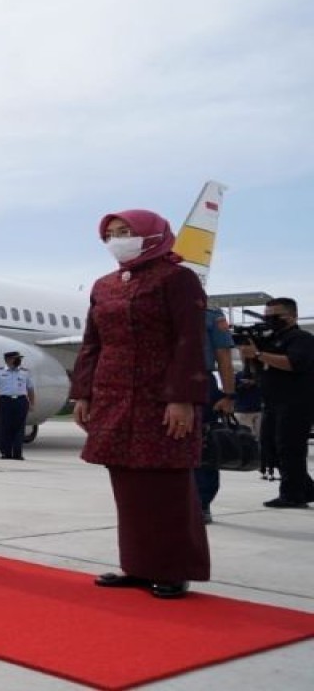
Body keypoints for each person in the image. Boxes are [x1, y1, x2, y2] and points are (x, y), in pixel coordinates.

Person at [72, 209, 209, 600]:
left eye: (126, 232)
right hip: (114, 394)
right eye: (110, 234)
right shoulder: (104, 285)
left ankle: (172, 568)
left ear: (152, 235)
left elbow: (188, 340)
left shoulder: (178, 279)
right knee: (128, 487)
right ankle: (137, 565)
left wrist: (181, 398)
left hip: (160, 396)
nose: (117, 239)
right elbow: (92, 343)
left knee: (164, 484)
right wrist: (84, 393)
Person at [237, 297, 314, 509]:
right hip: (271, 402)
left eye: (275, 316)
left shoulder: (301, 338)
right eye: (267, 316)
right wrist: (249, 355)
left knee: (289, 449)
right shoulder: (269, 340)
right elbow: (255, 371)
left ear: (292, 316)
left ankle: (292, 495)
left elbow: (293, 363)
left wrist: (259, 354)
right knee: (269, 448)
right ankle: (304, 488)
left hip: (296, 402)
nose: (270, 320)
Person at [196, 307, 236, 523]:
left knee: (204, 447)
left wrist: (229, 395)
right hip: (160, 384)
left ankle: (202, 503)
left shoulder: (211, 316)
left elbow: (224, 357)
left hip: (199, 382)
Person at [0, 351, 35, 460]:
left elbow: (30, 389)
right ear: (8, 359)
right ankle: (5, 453)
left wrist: (32, 403)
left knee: (19, 427)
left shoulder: (25, 372)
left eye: (19, 358)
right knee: (4, 427)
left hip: (21, 400)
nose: (19, 360)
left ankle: (17, 453)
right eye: (16, 358)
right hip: (5, 400)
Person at [233, 361, 263, 438]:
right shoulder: (239, 375)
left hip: (258, 410)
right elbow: (233, 391)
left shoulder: (262, 376)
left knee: (261, 438)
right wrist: (243, 385)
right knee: (246, 438)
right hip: (242, 411)